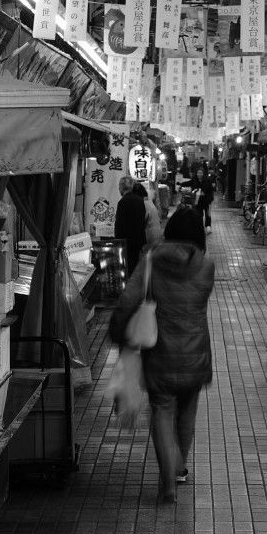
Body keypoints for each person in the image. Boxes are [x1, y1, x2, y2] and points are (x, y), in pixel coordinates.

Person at [111, 207, 215, 503]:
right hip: (195, 353)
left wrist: (118, 332)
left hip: (160, 352)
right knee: (187, 413)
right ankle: (179, 469)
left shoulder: (151, 262)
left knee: (162, 410)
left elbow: (128, 300)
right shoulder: (206, 266)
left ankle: (168, 480)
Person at [113, 175, 148, 275]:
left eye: (119, 187)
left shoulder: (123, 202)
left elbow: (119, 225)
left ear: (121, 187)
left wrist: (117, 241)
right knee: (135, 267)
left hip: (126, 242)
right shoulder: (140, 200)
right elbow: (142, 221)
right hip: (138, 240)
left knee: (126, 269)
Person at [193, 167, 215, 234]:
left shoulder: (208, 180)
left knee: (207, 214)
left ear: (203, 173)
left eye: (201, 173)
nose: (199, 174)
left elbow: (211, 190)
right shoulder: (195, 180)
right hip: (198, 201)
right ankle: (200, 228)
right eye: (198, 173)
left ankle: (208, 227)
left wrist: (210, 198)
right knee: (199, 214)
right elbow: (190, 183)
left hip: (207, 200)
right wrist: (181, 184)